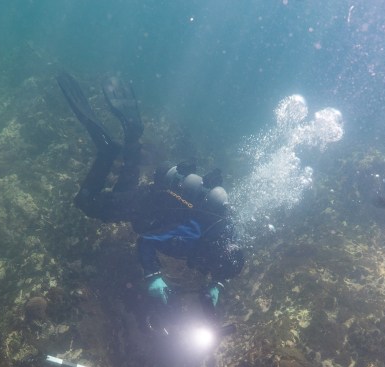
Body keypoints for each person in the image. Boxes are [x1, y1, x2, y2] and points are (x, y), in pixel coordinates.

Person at [56, 71, 245, 320]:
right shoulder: (192, 239)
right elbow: (146, 241)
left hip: (156, 197)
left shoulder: (227, 234)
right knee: (87, 203)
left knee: (124, 191)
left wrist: (217, 285)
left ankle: (130, 143)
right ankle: (108, 150)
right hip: (145, 205)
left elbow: (223, 263)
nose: (207, 271)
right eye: (211, 270)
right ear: (213, 257)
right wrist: (153, 275)